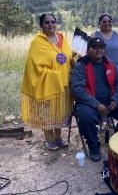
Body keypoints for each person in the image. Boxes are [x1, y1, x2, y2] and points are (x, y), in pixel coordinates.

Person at [71, 37, 118, 162]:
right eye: (95, 48)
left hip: (109, 101)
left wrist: (115, 100)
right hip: (89, 103)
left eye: (101, 48)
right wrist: (96, 104)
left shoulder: (109, 63)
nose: (98, 50)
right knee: (85, 116)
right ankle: (94, 146)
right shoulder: (81, 65)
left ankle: (117, 137)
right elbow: (77, 90)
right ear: (88, 49)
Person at [21, 13, 73, 151]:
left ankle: (58, 138)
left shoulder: (62, 38)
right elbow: (34, 67)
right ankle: (49, 140)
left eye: (53, 22)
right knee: (47, 113)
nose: (51, 25)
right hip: (47, 85)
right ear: (41, 25)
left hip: (65, 83)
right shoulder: (37, 43)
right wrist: (54, 75)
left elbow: (68, 56)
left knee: (60, 112)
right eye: (47, 22)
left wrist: (74, 59)